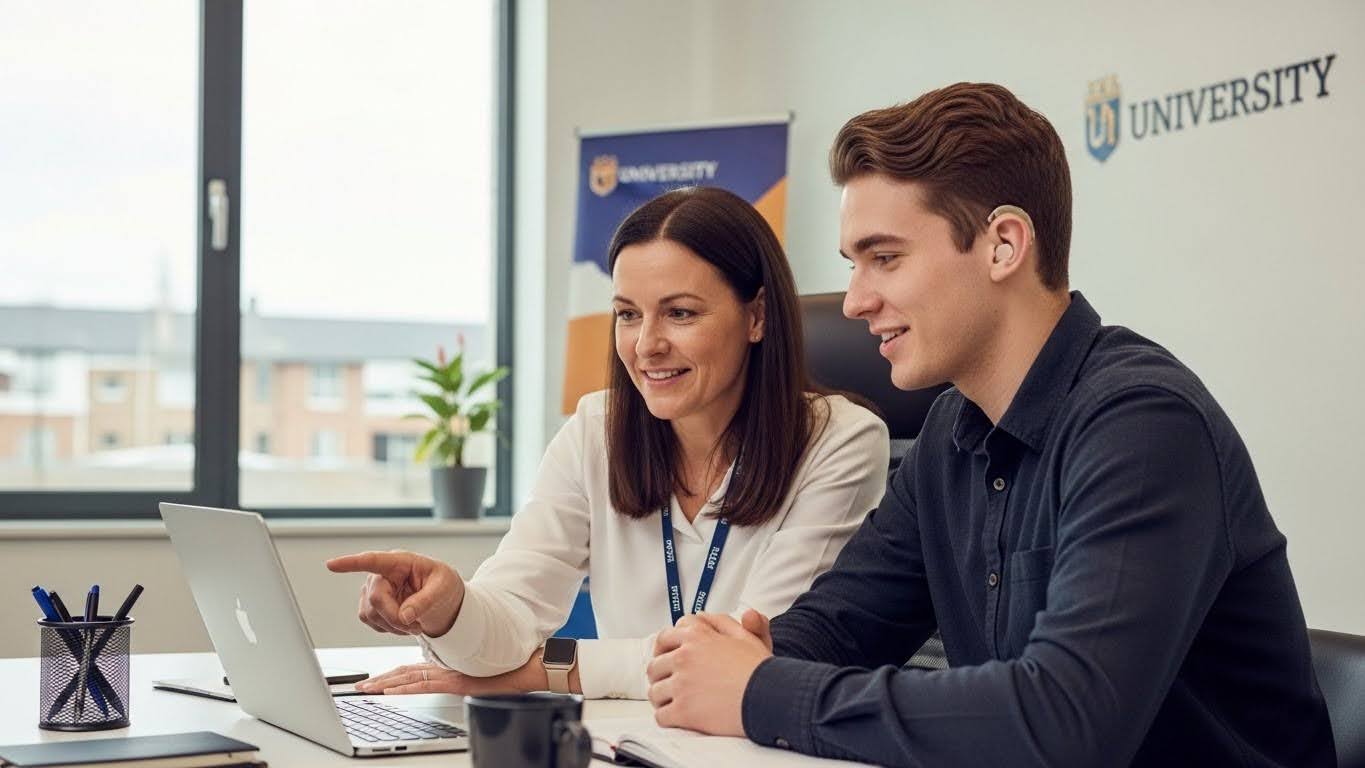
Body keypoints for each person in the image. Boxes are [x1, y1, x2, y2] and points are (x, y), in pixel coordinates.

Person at [646, 83, 1335, 766]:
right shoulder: (951, 429)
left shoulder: (1144, 425)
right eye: (852, 266)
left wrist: (761, 690)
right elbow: (844, 625)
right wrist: (732, 658)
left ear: (1003, 245)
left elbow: (1064, 722)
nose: (854, 301)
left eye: (883, 258)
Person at [327, 186, 888, 700]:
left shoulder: (841, 442)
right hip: (627, 741)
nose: (646, 345)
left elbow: (751, 652)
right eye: (627, 314)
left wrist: (541, 672)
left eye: (680, 313)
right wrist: (452, 609)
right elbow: (512, 614)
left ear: (757, 316)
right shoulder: (596, 428)